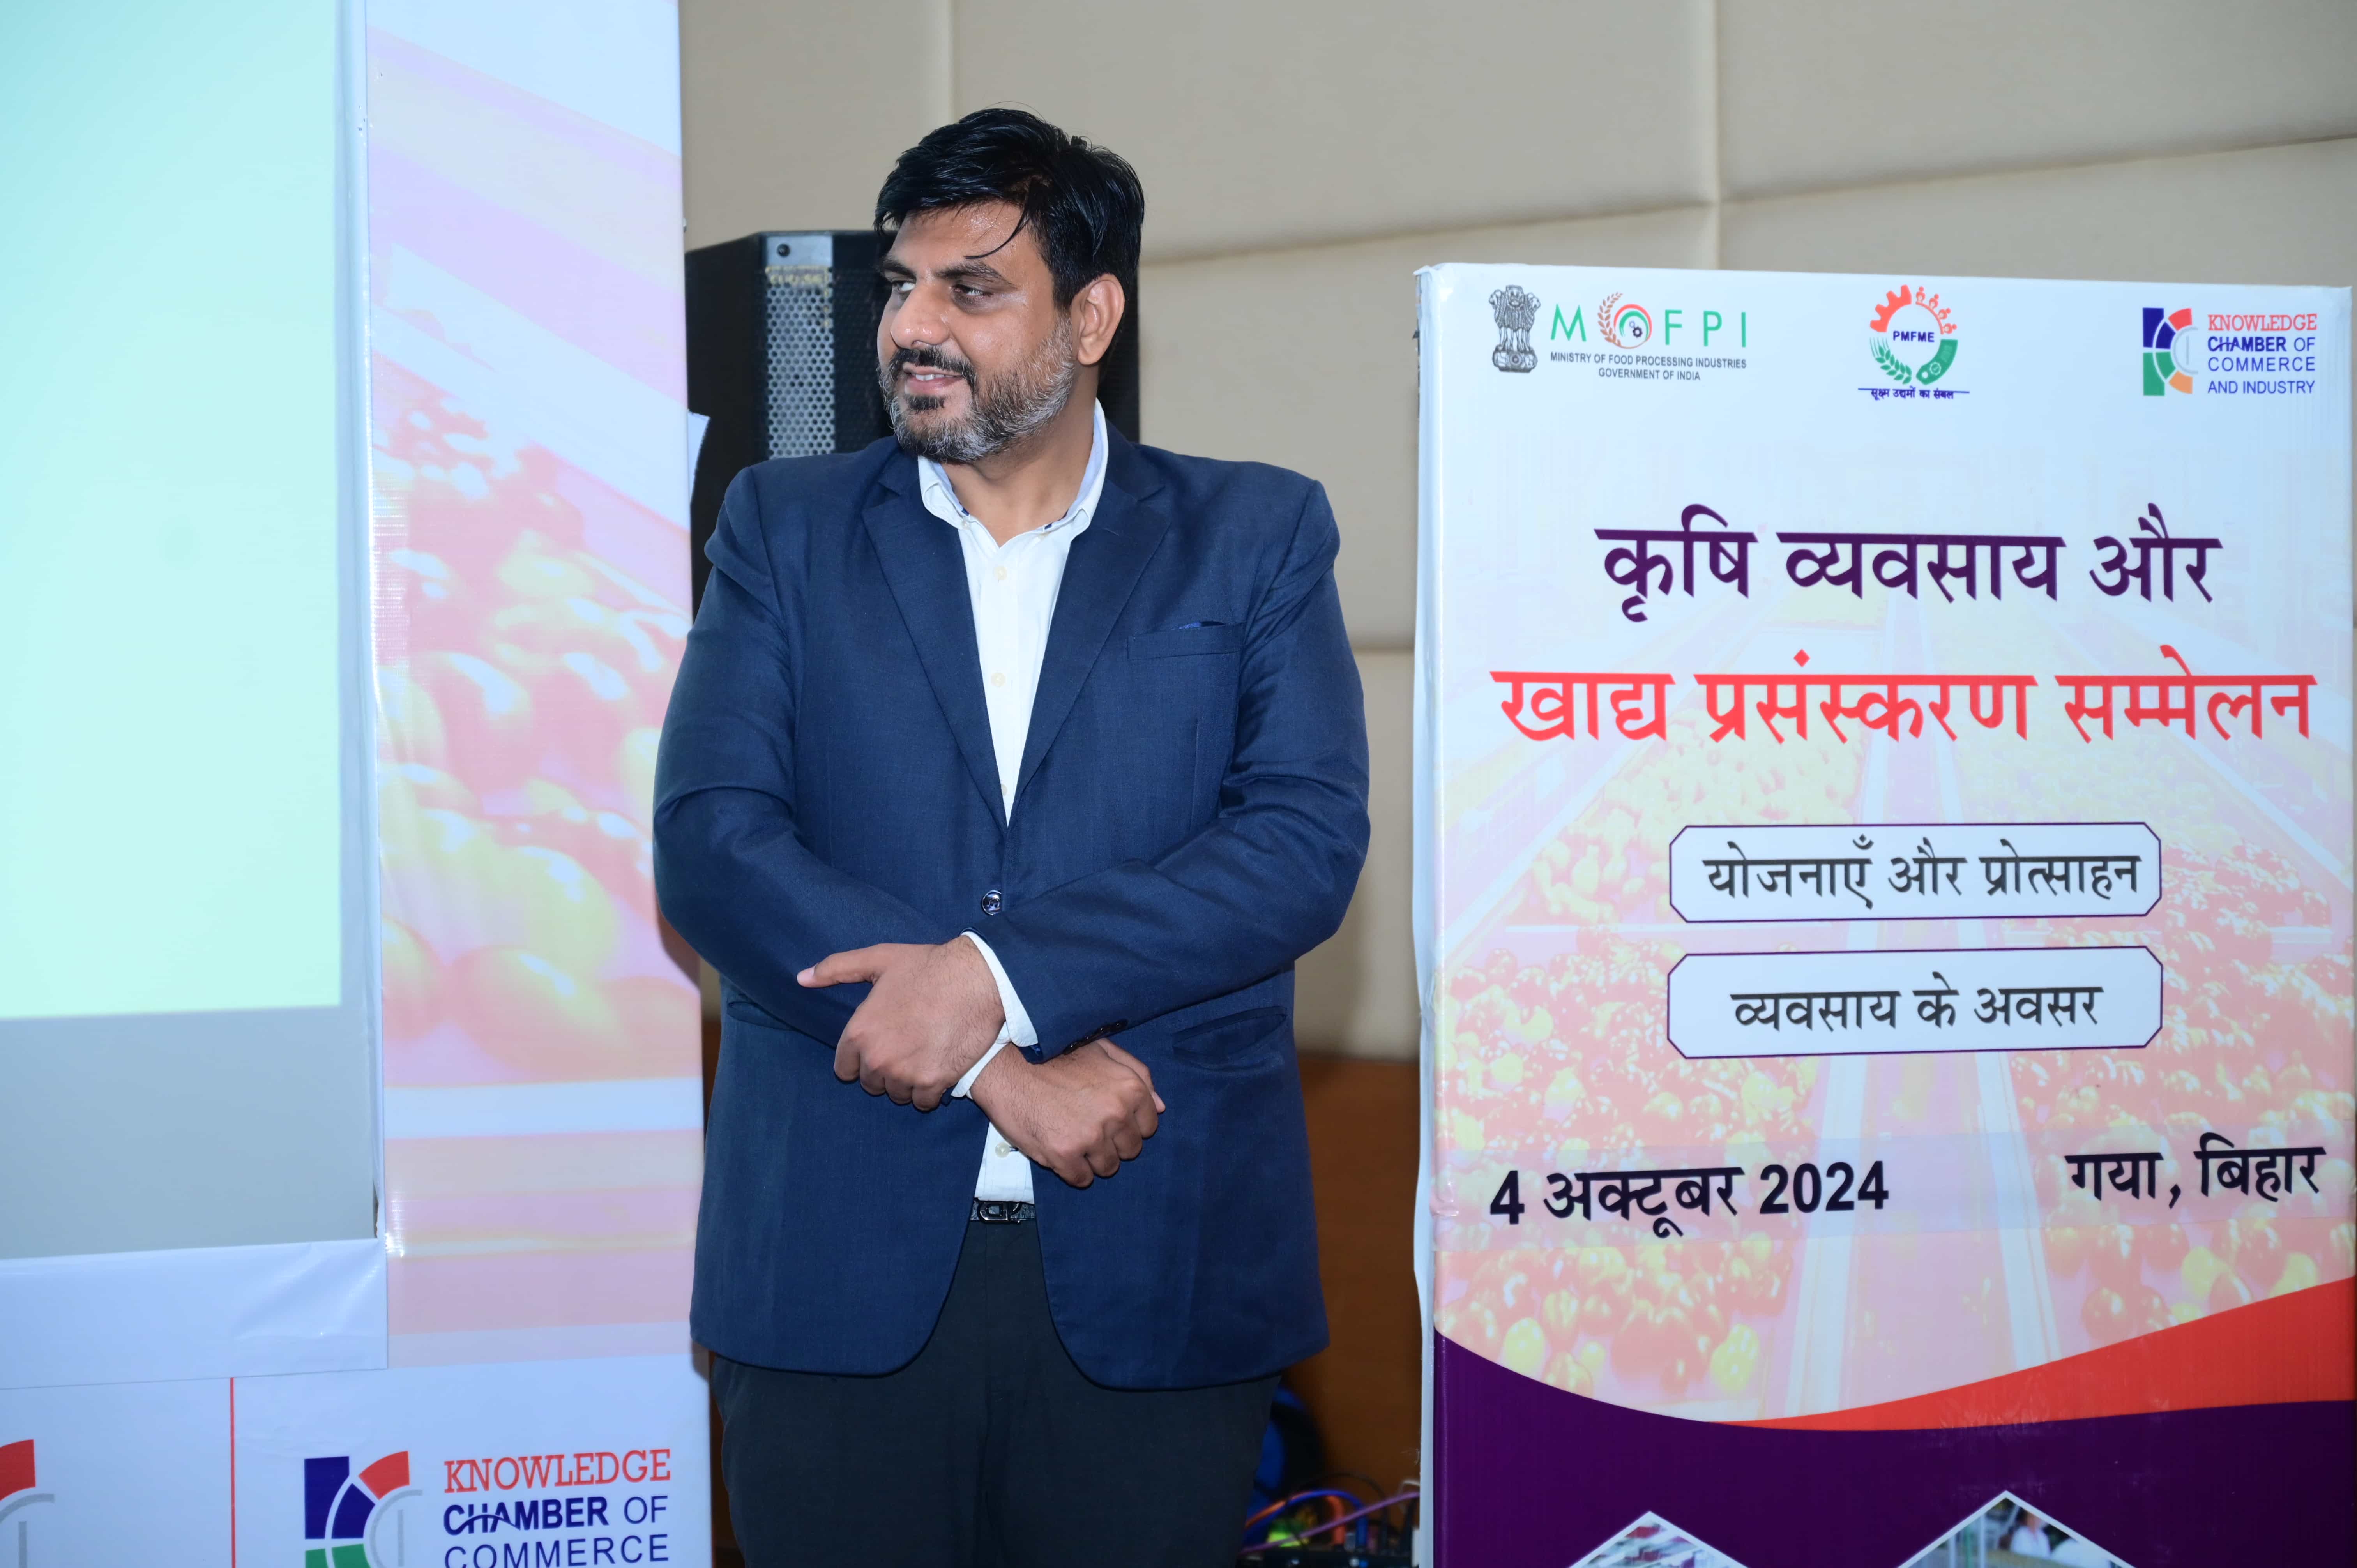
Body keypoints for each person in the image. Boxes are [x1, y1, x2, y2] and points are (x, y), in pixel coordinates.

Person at [655, 108, 1371, 1568]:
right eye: (901, 287)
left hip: (1161, 1262)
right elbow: (714, 841)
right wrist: (1000, 1064)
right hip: (835, 1265)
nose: (912, 327)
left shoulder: (1254, 534)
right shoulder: (783, 526)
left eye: (971, 289)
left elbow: (1300, 843)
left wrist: (996, 977)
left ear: (1090, 317)